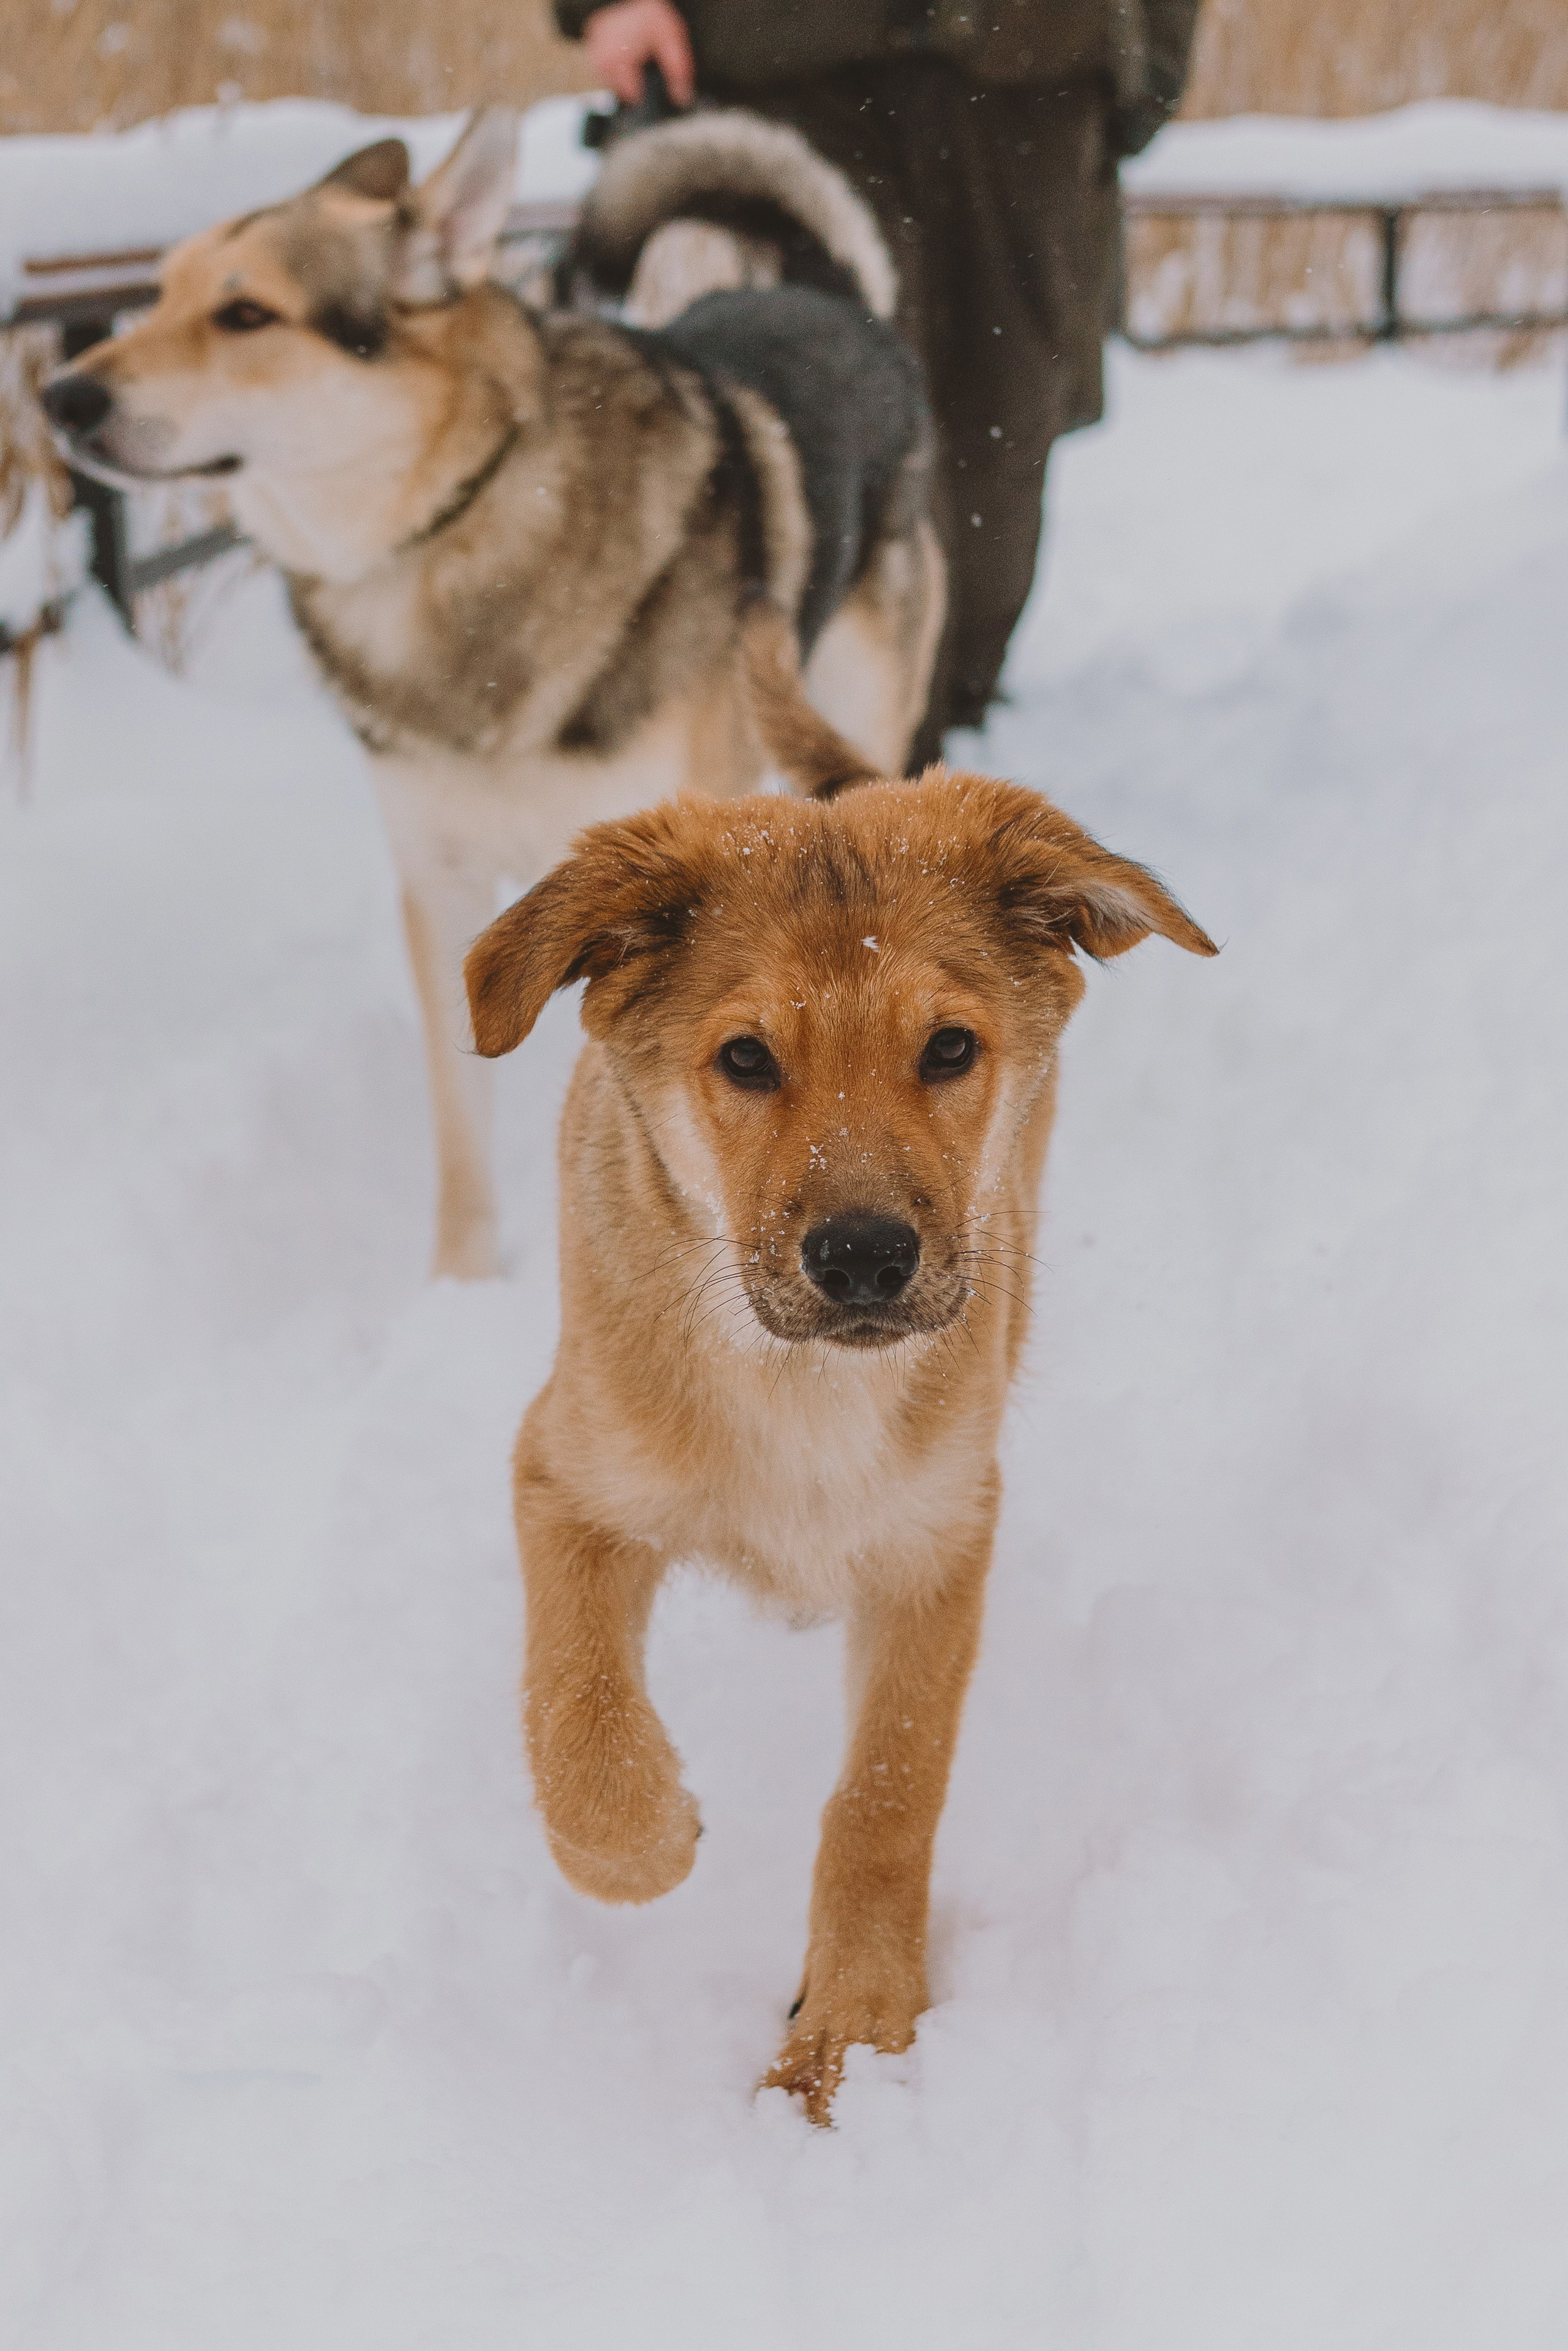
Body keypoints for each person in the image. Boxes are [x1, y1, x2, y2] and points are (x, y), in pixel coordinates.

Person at [553, 0, 1201, 761]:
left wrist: (1149, 55)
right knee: (829, 411)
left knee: (1004, 422)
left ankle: (945, 724)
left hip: (1034, 61)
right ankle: (868, 761)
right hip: (783, 62)